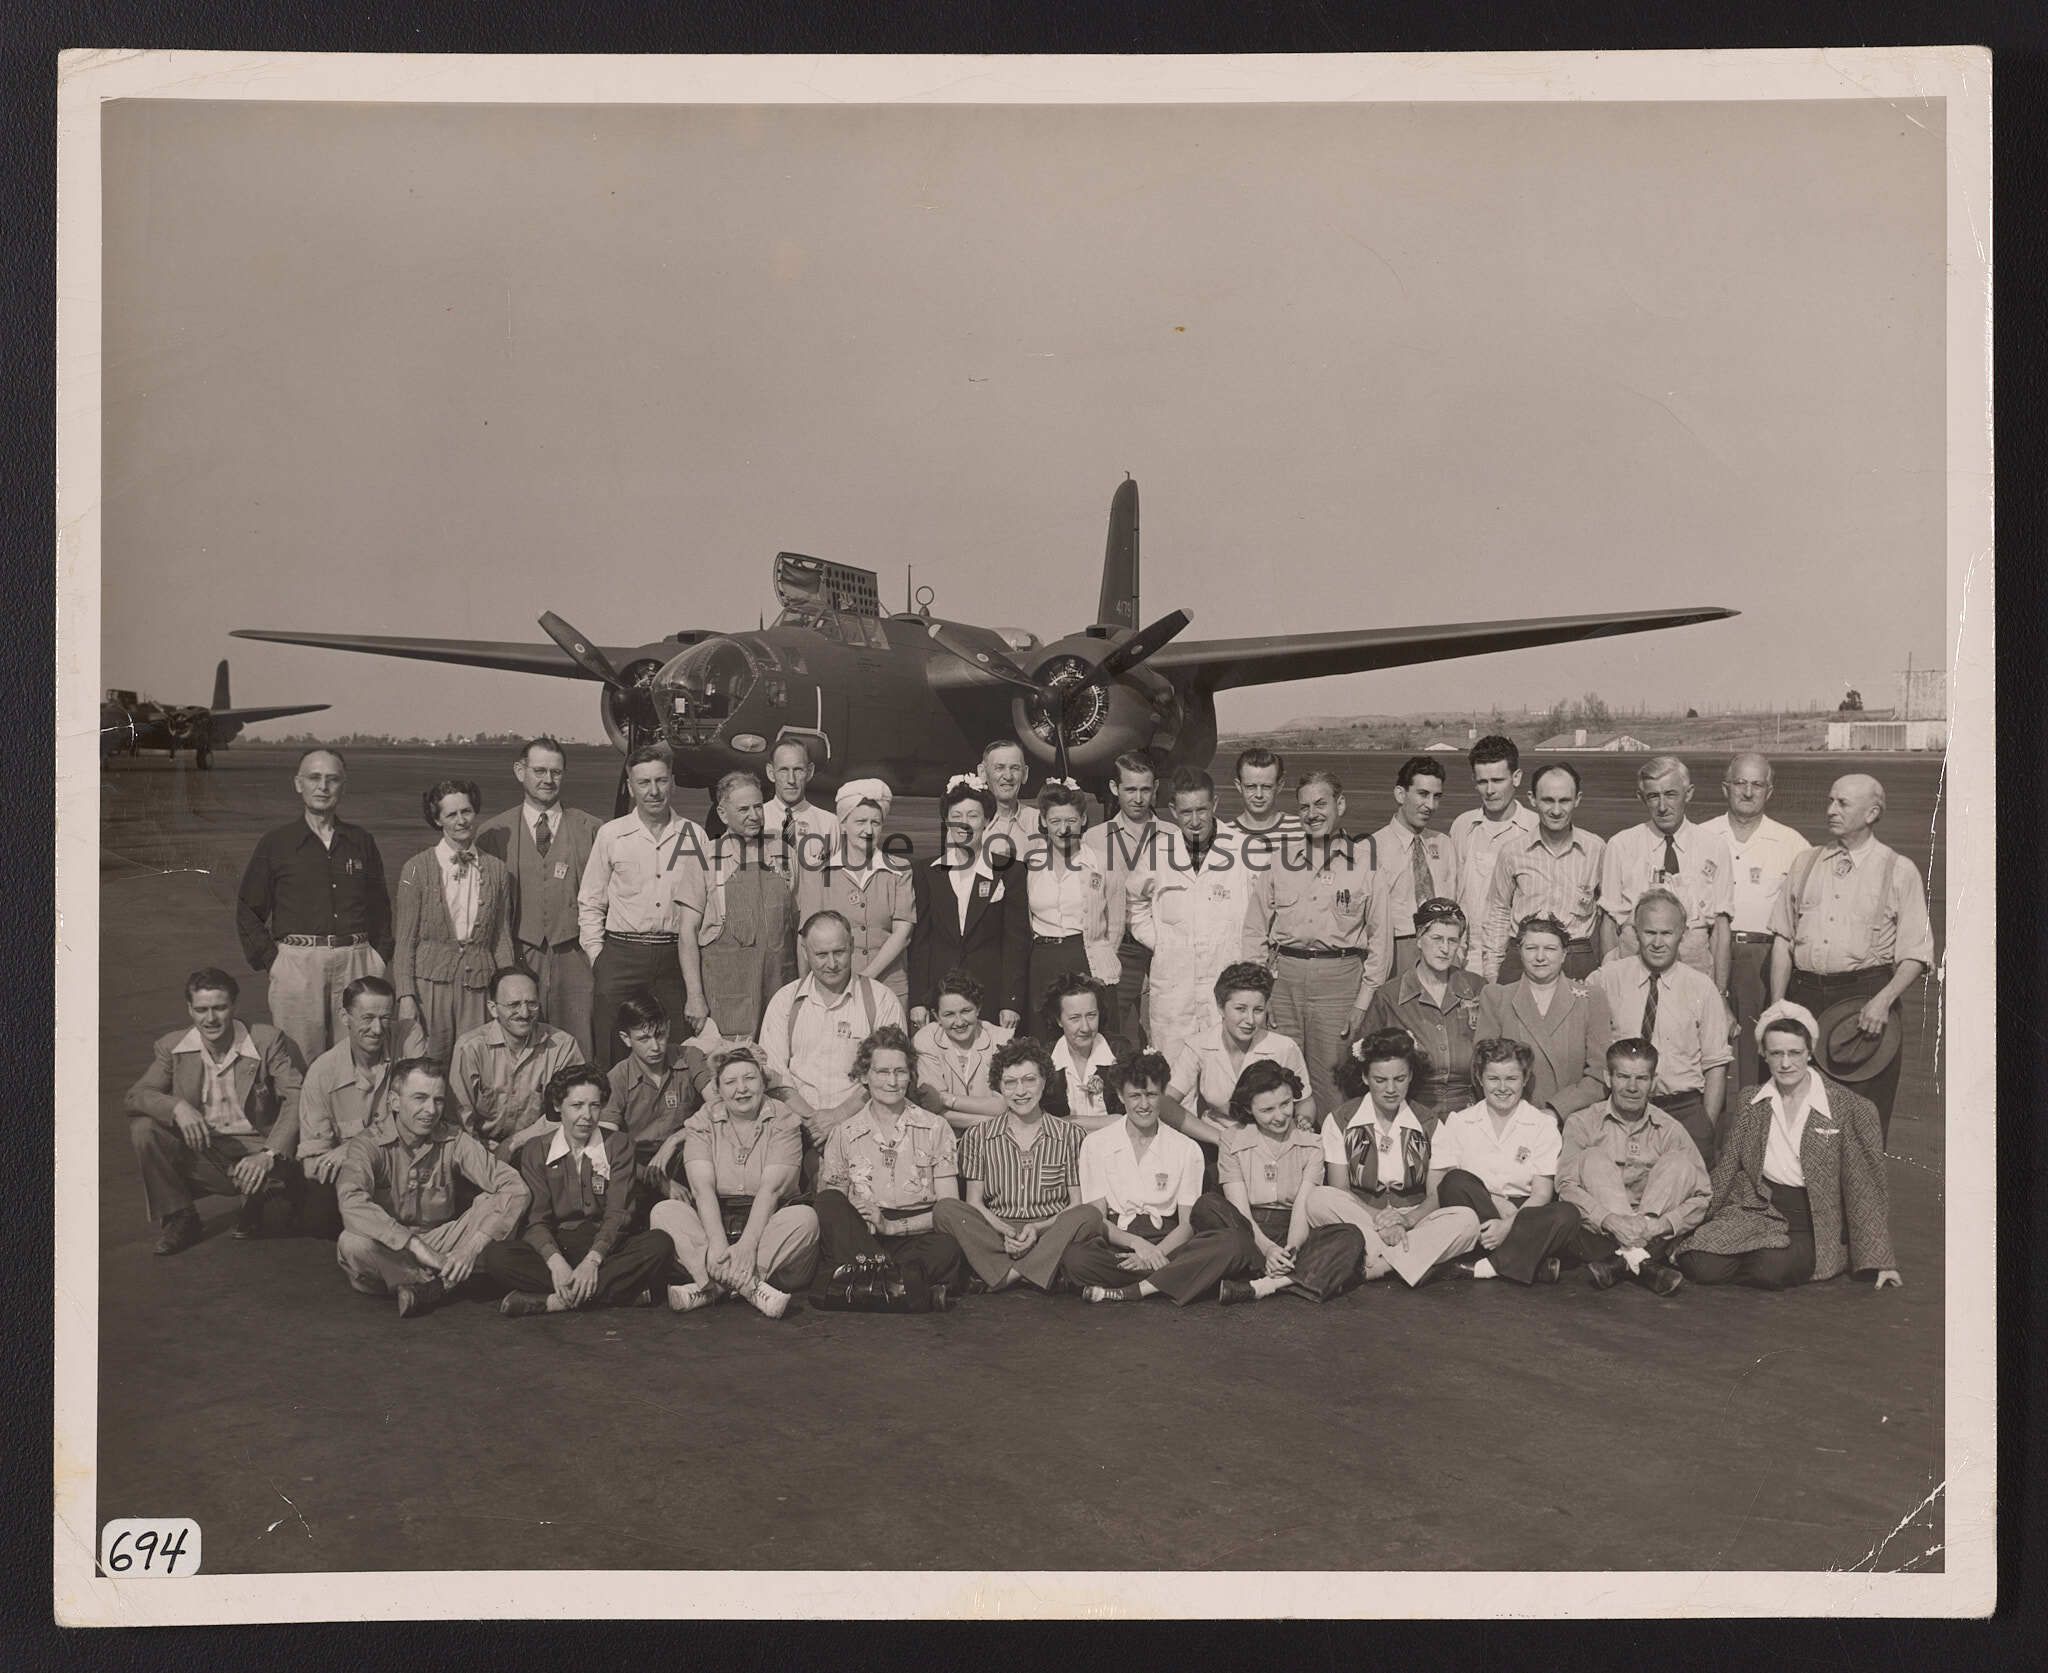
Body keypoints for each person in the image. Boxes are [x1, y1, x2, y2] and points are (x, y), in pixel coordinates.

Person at [1674, 1003, 1902, 1290]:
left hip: (1812, 1222)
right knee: (1698, 1264)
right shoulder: (1751, 1100)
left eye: (1794, 1053)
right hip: (1757, 1210)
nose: (1785, 1063)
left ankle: (1765, 1255)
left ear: (1810, 1052)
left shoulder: (1849, 1107)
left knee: (1770, 1270)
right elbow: (1727, 1167)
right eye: (1776, 1053)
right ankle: (1748, 1249)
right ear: (1763, 1054)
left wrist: (1879, 1259)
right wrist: (1690, 1224)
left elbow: (1864, 1186)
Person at [1767, 773, 1934, 1143]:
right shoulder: (1805, 863)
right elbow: (1783, 938)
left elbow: (1916, 954)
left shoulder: (1898, 870)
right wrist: (1779, 1004)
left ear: (1872, 813)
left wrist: (1883, 1002)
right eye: (1830, 800)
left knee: (1861, 1124)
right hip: (1804, 999)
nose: (1831, 810)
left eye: (1842, 803)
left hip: (1865, 1005)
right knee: (1799, 1122)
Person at [1240, 770, 1391, 1119]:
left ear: (1340, 805)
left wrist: (1361, 1004)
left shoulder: (1365, 864)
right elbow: (1254, 930)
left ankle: (1332, 1151)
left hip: (1340, 983)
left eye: (1321, 804)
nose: (1312, 814)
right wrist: (1261, 994)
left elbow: (1381, 943)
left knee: (1333, 1082)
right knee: (1278, 1077)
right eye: (1304, 807)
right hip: (1284, 984)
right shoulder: (1280, 861)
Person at [125, 968, 307, 1254]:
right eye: (201, 1010)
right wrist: (178, 1107)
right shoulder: (172, 1046)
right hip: (207, 1151)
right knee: (144, 1129)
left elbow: (296, 1097)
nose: (210, 1019)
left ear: (234, 1006)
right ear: (190, 1009)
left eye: (219, 1008)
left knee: (280, 1220)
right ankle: (181, 1216)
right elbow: (136, 1095)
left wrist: (268, 1154)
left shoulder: (267, 1041)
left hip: (258, 1150)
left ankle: (262, 1196)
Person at [333, 1056, 529, 1318]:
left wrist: (469, 1249)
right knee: (352, 1242)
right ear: (394, 1101)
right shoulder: (367, 1145)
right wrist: (416, 1246)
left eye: (438, 1100)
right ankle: (437, 1282)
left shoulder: (453, 1138)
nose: (431, 1110)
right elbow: (351, 1200)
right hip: (390, 1248)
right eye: (420, 1098)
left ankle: (428, 1284)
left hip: (443, 1245)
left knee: (494, 1202)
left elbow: (515, 1187)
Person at [235, 747, 393, 1064]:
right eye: (314, 778)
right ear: (299, 784)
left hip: (357, 963)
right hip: (298, 967)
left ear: (343, 786)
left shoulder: (361, 841)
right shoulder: (276, 843)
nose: (323, 786)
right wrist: (274, 962)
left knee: (360, 1061)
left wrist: (377, 959)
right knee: (299, 1061)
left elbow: (380, 907)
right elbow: (248, 909)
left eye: (332, 779)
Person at [482, 1066, 677, 1315]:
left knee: (659, 1244)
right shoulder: (535, 1150)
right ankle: (618, 1295)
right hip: (558, 1245)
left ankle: (552, 1302)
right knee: (496, 1256)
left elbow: (618, 1215)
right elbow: (536, 1220)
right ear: (557, 1106)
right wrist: (555, 1262)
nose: (587, 1116)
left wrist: (593, 1260)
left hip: (607, 1247)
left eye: (594, 1106)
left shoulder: (619, 1145)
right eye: (577, 1106)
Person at [1296, 1030, 1483, 1287]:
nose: (1391, 1089)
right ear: (1364, 1077)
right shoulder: (1340, 1120)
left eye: (1400, 1078)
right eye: (1380, 1080)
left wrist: (1406, 1220)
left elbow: (1435, 1195)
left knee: (1467, 1220)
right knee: (1319, 1199)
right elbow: (1340, 1189)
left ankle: (1378, 1265)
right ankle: (1416, 1261)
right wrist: (1381, 1221)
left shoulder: (1429, 1123)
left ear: (1411, 1076)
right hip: (1362, 1216)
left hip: (1414, 1219)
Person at [646, 1047, 821, 1317]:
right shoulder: (703, 1119)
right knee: (664, 1211)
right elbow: (702, 1189)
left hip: (768, 1226)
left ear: (763, 1081)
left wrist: (748, 1246)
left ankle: (711, 1288)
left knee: (804, 1219)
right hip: (715, 1222)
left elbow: (771, 1190)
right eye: (730, 1082)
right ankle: (750, 1288)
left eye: (749, 1078)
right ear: (718, 1088)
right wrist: (717, 1245)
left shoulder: (784, 1118)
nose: (741, 1089)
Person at [1064, 1053, 1242, 1305]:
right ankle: (1176, 1280)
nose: (1144, 1105)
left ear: (1162, 1094)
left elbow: (1187, 1224)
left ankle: (1135, 1289)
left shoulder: (1187, 1148)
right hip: (1118, 1242)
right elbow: (1098, 1219)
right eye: (1135, 1096)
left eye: (1151, 1094)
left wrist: (1155, 1252)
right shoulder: (1095, 1144)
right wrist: (1138, 1245)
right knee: (1075, 1259)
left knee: (1230, 1244)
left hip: (1168, 1242)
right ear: (1120, 1096)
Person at [812, 1026, 967, 1308]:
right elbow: (836, 1207)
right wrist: (864, 1218)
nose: (892, 1082)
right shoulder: (844, 1133)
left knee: (948, 1248)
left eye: (900, 1072)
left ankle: (864, 1288)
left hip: (914, 1233)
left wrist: (892, 1227)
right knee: (827, 1201)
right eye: (882, 1072)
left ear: (910, 1075)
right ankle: (904, 1289)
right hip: (862, 1236)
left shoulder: (936, 1127)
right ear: (864, 1075)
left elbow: (948, 1209)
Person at [578, 744, 708, 1071]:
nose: (653, 791)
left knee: (675, 1048)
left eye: (661, 781)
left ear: (672, 783)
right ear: (630, 787)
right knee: (612, 1046)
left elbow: (705, 904)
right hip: (621, 955)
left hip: (674, 958)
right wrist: (598, 958)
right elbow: (590, 901)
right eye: (644, 783)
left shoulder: (694, 836)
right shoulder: (612, 835)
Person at [932, 1037, 1098, 1292]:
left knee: (1089, 1215)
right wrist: (1006, 1231)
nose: (1020, 1091)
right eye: (1010, 1082)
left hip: (1049, 1230)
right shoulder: (979, 1135)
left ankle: (1007, 1275)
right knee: (945, 1209)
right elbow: (974, 1202)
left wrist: (1036, 1229)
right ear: (999, 1087)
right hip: (996, 1230)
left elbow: (1075, 1204)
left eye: (1029, 1080)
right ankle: (1039, 1271)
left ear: (1044, 1081)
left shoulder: (1070, 1135)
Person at [476, 736, 603, 1057]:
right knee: (519, 1045)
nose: (548, 780)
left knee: (580, 1042)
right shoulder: (493, 834)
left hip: (576, 956)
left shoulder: (592, 830)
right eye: (539, 771)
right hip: (518, 954)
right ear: (520, 771)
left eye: (556, 772)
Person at [1553, 1037, 1710, 1295]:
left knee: (1679, 1162)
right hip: (1600, 1232)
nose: (1632, 1087)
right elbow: (1565, 1186)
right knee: (1593, 1157)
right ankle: (1640, 1261)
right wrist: (1610, 1220)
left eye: (1642, 1078)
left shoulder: (1670, 1129)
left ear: (1653, 1081)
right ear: (1608, 1078)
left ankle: (1624, 1259)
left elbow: (1703, 1195)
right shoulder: (1581, 1122)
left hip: (1653, 1235)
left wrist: (1657, 1225)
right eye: (1623, 1077)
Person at [1207, 1059, 1370, 1305]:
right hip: (1248, 1230)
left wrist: (1290, 1250)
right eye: (1267, 1110)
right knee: (1210, 1207)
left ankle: (1267, 1285)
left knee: (1350, 1235)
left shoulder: (1312, 1144)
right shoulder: (1232, 1139)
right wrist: (1268, 1249)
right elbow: (1240, 1211)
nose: (1280, 1116)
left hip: (1292, 1229)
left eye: (1285, 1104)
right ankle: (1302, 1276)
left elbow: (1302, 1209)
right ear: (1249, 1109)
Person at [1588, 889, 1732, 1166]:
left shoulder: (1702, 987)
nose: (1657, 942)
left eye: (1666, 933)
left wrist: (1706, 1125)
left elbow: (1716, 1064)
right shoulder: (1605, 979)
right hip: (1620, 1109)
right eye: (1649, 932)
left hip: (1682, 1109)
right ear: (1635, 933)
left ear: (1682, 935)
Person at [759, 910, 909, 1157]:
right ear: (805, 951)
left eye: (839, 952)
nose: (831, 964)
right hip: (799, 1131)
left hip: (864, 1130)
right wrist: (814, 1123)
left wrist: (838, 1116)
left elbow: (891, 1074)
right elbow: (774, 1076)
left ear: (852, 945)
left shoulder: (881, 1000)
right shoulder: (785, 1001)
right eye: (821, 955)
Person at [1697, 753, 1806, 1089]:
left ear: (1769, 792)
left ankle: (1754, 1120)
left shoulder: (1792, 844)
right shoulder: (1701, 836)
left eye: (1757, 785)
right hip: (1705, 953)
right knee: (1703, 1051)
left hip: (1762, 962)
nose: (1747, 792)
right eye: (1740, 783)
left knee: (1757, 1056)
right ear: (1725, 788)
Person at [1135, 767, 1259, 1062]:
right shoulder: (1157, 852)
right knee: (1175, 1071)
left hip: (1227, 979)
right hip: (1175, 989)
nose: (1194, 821)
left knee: (1229, 1071)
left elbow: (1263, 913)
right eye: (1185, 812)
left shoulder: (1245, 851)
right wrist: (1161, 943)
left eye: (1201, 810)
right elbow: (1134, 904)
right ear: (1172, 811)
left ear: (1215, 804)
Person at [1429, 1038, 1576, 1284]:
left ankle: (1486, 1266)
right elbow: (1443, 1185)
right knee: (1455, 1180)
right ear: (1480, 1079)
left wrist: (1508, 1225)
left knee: (1567, 1214)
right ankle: (1525, 1262)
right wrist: (1495, 1204)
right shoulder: (1459, 1122)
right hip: (1476, 1208)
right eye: (1493, 1078)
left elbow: (1541, 1193)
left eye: (1511, 1078)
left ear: (1525, 1079)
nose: (1502, 1087)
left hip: (1524, 1212)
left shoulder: (1542, 1125)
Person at [390, 778, 517, 1060]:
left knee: (476, 1061)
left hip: (479, 988)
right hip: (429, 988)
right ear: (437, 820)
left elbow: (501, 938)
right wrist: (406, 996)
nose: (461, 821)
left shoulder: (497, 870)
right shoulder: (415, 869)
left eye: (466, 811)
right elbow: (405, 941)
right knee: (426, 1063)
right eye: (451, 814)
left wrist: (508, 992)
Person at [295, 974, 427, 1233]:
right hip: (357, 1174)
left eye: (385, 1018)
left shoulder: (408, 1036)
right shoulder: (322, 1073)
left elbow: (423, 1112)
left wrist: (354, 1147)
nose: (378, 1029)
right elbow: (314, 1163)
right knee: (317, 1215)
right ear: (345, 1017)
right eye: (367, 1018)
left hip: (408, 1164)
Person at [673, 770, 798, 1040]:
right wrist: (695, 997)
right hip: (727, 996)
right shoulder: (705, 858)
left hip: (779, 989)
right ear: (722, 813)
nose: (754, 815)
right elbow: (687, 933)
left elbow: (800, 928)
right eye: (743, 809)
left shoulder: (784, 854)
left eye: (758, 807)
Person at [1598, 755, 1732, 989]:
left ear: (1688, 793)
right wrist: (1610, 985)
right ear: (1641, 798)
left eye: (1670, 794)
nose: (1662, 806)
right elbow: (1609, 924)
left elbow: (1720, 929)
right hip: (1633, 967)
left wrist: (1720, 993)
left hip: (1695, 970)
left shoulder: (1714, 846)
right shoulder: (1620, 845)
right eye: (1653, 796)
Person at [908, 778, 1028, 1030]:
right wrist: (918, 1000)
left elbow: (1016, 942)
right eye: (956, 816)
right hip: (940, 997)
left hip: (991, 996)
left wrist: (1011, 1002)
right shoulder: (926, 872)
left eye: (973, 815)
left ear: (987, 821)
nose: (964, 823)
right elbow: (921, 942)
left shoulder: (1010, 871)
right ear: (946, 821)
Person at [1356, 898, 1485, 1122]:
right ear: (1418, 938)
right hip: (1409, 1111)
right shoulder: (1389, 996)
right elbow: (1361, 1062)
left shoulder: (1477, 988)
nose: (1445, 949)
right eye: (1436, 938)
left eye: (1452, 940)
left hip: (1470, 1111)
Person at [1474, 915, 1613, 1122]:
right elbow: (1482, 1068)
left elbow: (1600, 1073)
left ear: (1564, 954)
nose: (1540, 957)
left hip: (1572, 1121)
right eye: (1531, 948)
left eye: (1550, 949)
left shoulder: (1591, 999)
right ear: (1519, 951)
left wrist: (1556, 1111)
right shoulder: (1497, 997)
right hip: (1512, 1119)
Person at [1477, 762, 1606, 982]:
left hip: (1575, 957)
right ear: (1532, 799)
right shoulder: (1512, 852)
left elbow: (1609, 915)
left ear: (1577, 799)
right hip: (1521, 955)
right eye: (1547, 800)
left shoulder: (1597, 849)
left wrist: (1606, 970)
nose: (1556, 810)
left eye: (1564, 800)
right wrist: (1492, 971)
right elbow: (1498, 911)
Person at [793, 777, 916, 1007]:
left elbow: (903, 934)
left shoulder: (899, 870)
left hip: (890, 989)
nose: (868, 830)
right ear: (843, 824)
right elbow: (805, 939)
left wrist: (863, 979)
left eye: (875, 822)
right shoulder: (820, 874)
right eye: (860, 821)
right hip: (833, 991)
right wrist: (806, 990)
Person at [1164, 962, 1314, 1145]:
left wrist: (1303, 1120)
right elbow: (1165, 1103)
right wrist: (1220, 1139)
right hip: (1216, 1141)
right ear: (1220, 1007)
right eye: (1240, 1009)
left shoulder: (1284, 1047)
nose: (1250, 1020)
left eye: (1258, 1010)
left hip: (1270, 1142)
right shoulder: (1199, 1045)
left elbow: (1305, 1101)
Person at [447, 967, 587, 1157]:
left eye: (532, 1004)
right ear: (493, 1008)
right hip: (480, 1149)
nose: (524, 1013)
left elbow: (571, 1111)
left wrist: (514, 1143)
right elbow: (459, 1118)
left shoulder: (563, 1046)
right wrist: (482, 1158)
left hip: (541, 1147)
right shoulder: (470, 1048)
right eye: (513, 1005)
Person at [1082, 751, 1166, 1048]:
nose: (1138, 798)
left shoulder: (1175, 837)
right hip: (1119, 949)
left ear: (1156, 788)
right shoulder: (1094, 838)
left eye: (1145, 789)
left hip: (1162, 947)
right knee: (1115, 1034)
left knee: (1164, 1030)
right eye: (1130, 789)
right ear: (1114, 788)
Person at [1023, 780, 1122, 1029]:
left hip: (1086, 958)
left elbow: (1116, 924)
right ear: (1044, 821)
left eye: (1071, 821)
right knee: (1044, 1037)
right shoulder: (1030, 864)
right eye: (1055, 821)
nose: (1063, 829)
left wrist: (1102, 960)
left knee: (1090, 1033)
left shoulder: (1103, 863)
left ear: (1083, 819)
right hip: (1042, 960)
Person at [1449, 735, 1537, 969]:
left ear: (1516, 777)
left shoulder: (1536, 828)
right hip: (1464, 958)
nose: (1489, 790)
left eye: (1497, 780)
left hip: (1515, 960)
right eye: (1482, 782)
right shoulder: (1462, 826)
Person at [1371, 756, 1459, 977]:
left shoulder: (1444, 844)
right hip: (1396, 949)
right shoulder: (1371, 848)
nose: (1430, 805)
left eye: (1436, 797)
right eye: (1423, 794)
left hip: (1443, 948)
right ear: (1400, 794)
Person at [601, 993, 706, 1167]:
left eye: (660, 1035)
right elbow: (607, 1143)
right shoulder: (617, 1078)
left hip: (687, 1154)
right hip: (636, 1165)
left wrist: (674, 1140)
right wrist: (650, 1176)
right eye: (644, 1039)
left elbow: (719, 1107)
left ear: (668, 1028)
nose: (655, 1047)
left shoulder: (690, 1056)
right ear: (626, 1039)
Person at [911, 970, 1014, 1132]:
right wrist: (989, 1121)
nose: (959, 1022)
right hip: (945, 1136)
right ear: (936, 1016)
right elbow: (933, 1109)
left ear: (978, 1008)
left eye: (966, 1011)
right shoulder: (926, 1040)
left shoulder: (1000, 1040)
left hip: (994, 1139)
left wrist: (946, 1099)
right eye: (949, 1014)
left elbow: (1004, 1104)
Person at [1038, 971, 1136, 1133]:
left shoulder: (1119, 1052)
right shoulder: (1044, 1059)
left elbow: (1131, 1118)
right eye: (1075, 1018)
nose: (1085, 1027)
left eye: (1091, 1015)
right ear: (1058, 1020)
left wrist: (1068, 1121)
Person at [760, 738, 840, 883]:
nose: (791, 780)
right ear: (771, 773)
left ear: (809, 772)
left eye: (798, 770)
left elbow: (836, 881)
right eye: (783, 770)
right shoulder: (757, 820)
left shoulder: (829, 824)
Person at [1224, 746, 1302, 875]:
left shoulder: (1302, 830)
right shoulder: (1224, 835)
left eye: (1266, 787)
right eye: (1251, 787)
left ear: (1280, 785)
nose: (1259, 795)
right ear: (1238, 786)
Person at [978, 739, 1042, 862]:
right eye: (999, 768)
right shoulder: (968, 824)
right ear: (983, 772)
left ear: (1025, 774)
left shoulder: (1040, 822)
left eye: (1015, 768)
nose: (1008, 776)